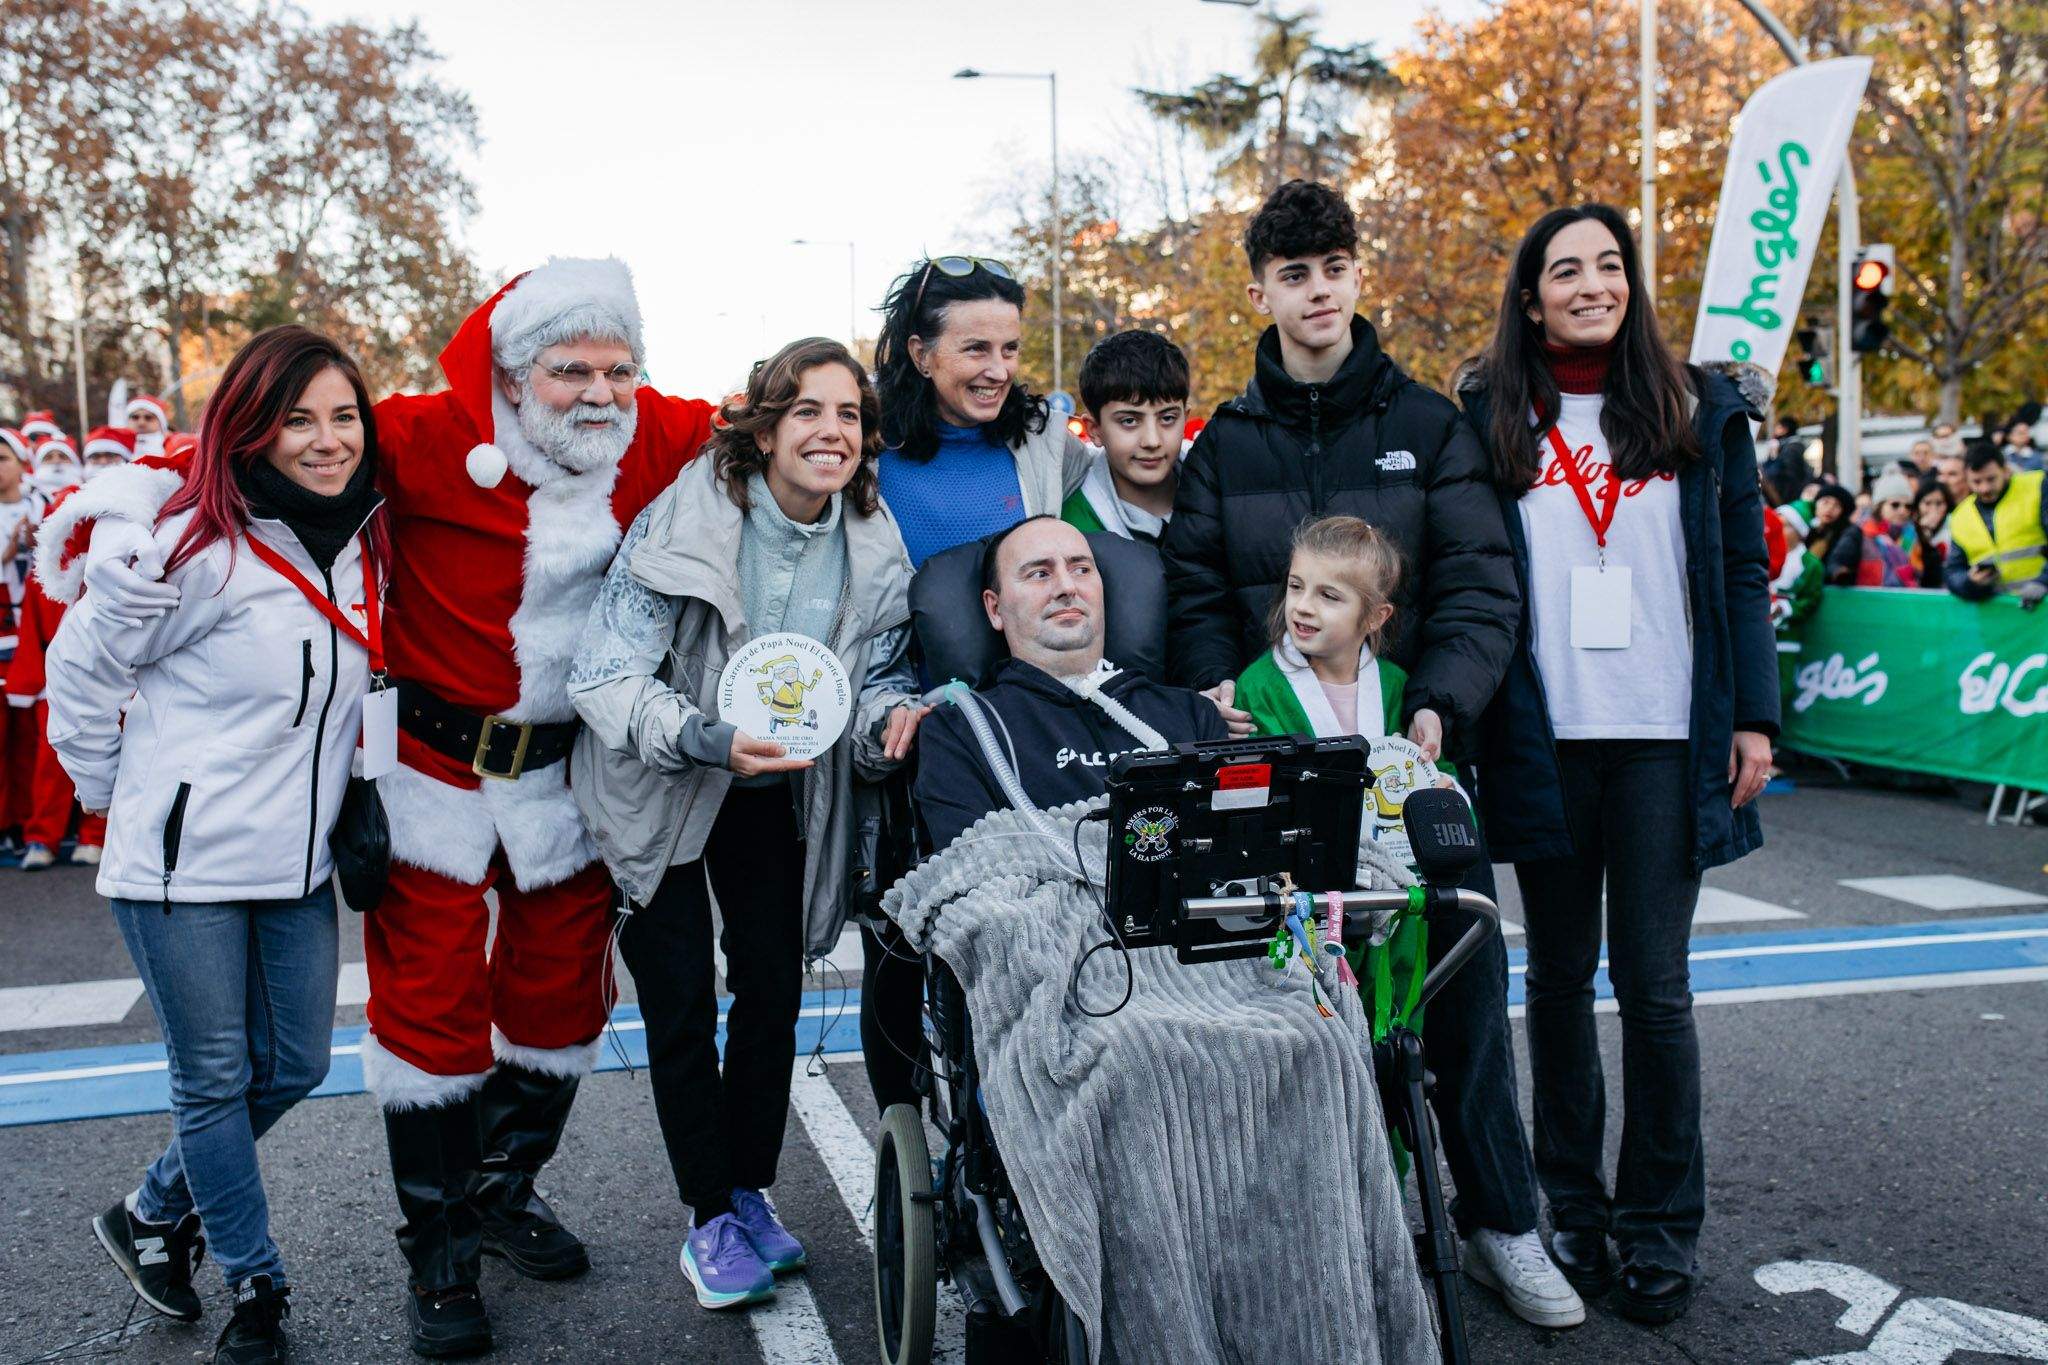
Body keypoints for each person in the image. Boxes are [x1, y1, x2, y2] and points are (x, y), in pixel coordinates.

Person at [43, 258, 722, 1358]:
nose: (599, 392)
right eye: (569, 371)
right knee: (431, 1020)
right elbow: (231, 453)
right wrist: (124, 521)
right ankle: (441, 1252)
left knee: (559, 1006)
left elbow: (783, 429)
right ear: (512, 371)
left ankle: (503, 1191)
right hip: (427, 777)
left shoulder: (654, 433)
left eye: (618, 368)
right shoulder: (414, 430)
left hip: (568, 780)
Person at [1161, 178, 1571, 1326]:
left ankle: (1499, 1221)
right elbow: (1196, 597)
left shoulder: (1428, 427)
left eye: (1332, 267)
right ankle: (1355, 1210)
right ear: (1260, 291)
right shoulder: (1221, 446)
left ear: (1356, 276)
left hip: (1411, 773)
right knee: (1299, 1009)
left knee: (1463, 995)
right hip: (1276, 787)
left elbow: (1484, 589)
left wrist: (1437, 704)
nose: (1316, 290)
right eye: (1292, 274)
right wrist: (1217, 705)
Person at [43, 326, 389, 1365]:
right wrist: (127, 805)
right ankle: (255, 1284)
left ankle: (152, 1210)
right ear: (250, 427)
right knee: (211, 1076)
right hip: (177, 870)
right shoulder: (187, 544)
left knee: (289, 1065)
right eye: (297, 420)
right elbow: (79, 676)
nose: (327, 442)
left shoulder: (365, 537)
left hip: (297, 866)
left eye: (343, 416)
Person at [1458, 203, 1778, 1325]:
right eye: (1563, 269)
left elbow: (1741, 572)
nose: (1589, 283)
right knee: (1550, 982)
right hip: (1544, 737)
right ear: (1530, 292)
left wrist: (1753, 721)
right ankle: (1571, 1210)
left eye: (1607, 265)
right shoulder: (1490, 409)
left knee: (1653, 991)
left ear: (1630, 283)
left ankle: (1657, 1228)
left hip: (1662, 736)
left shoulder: (1698, 406)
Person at [569, 337, 923, 1310]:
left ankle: (748, 1191)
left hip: (779, 789)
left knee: (769, 990)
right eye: (808, 411)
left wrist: (886, 727)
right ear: (764, 427)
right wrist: (700, 737)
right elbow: (602, 675)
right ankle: (707, 1219)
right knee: (679, 998)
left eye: (848, 415)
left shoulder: (876, 547)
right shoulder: (684, 520)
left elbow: (872, 683)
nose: (831, 431)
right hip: (666, 777)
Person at [915, 514, 1229, 853]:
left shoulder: (1193, 715)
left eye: (1081, 569)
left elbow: (1233, 852)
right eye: (1040, 573)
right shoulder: (958, 732)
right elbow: (973, 876)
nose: (1067, 587)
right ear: (995, 609)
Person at [872, 255, 1091, 571]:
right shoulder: (865, 452)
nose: (1000, 372)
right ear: (921, 354)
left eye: (1010, 349)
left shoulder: (1051, 446)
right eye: (976, 348)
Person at [1060, 330, 1189, 544]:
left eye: (1167, 418)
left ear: (1185, 417)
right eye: (1129, 421)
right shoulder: (1073, 531)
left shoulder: (1221, 496)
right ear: (1094, 430)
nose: (1152, 441)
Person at [0, 429, 42, 861]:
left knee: (31, 737)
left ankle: (35, 824)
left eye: (2, 458)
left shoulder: (40, 507)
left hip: (30, 638)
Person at [1944, 443, 2047, 608]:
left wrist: (2043, 581)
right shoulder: (1960, 516)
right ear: (1967, 479)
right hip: (1997, 615)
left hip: (2042, 607)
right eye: (1976, 481)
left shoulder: (2037, 487)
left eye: (1991, 479)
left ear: (2005, 471)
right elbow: (1953, 571)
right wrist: (1970, 583)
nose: (1985, 488)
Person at [1826, 472, 1917, 587]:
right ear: (1879, 506)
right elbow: (1836, 563)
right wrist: (1841, 573)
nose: (1902, 511)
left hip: (1907, 602)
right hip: (1868, 602)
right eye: (1895, 504)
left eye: (1908, 506)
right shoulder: (1859, 533)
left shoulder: (1915, 536)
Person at [1908, 478, 1954, 589]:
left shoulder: (1955, 526)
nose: (1933, 509)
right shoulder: (1909, 531)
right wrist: (1922, 534)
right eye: (1927, 503)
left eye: (1939, 503)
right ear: (1918, 505)